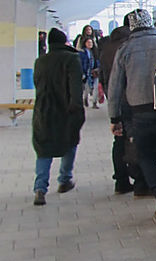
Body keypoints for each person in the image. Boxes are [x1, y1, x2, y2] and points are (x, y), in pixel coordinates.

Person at [107, 9, 156, 220]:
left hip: (140, 113)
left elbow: (114, 87)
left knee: (144, 155)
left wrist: (114, 118)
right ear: (151, 23)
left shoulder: (125, 49)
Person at [31, 28, 85, 206]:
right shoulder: (71, 59)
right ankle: (64, 179)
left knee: (43, 149)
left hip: (43, 110)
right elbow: (76, 87)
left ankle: (40, 189)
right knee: (70, 142)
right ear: (64, 42)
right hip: (65, 110)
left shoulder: (40, 61)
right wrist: (77, 109)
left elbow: (37, 83)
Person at [98, 25, 148, 195]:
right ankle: (140, 181)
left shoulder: (106, 50)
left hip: (116, 100)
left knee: (119, 142)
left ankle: (121, 181)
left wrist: (112, 110)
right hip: (133, 100)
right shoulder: (128, 48)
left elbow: (105, 79)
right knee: (135, 139)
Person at [78, 36, 100, 108]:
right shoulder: (82, 53)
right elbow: (81, 63)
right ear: (85, 43)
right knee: (87, 88)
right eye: (88, 42)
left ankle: (94, 102)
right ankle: (85, 98)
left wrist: (97, 68)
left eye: (91, 42)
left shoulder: (95, 52)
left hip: (94, 72)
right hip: (87, 73)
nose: (90, 44)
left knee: (96, 87)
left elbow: (98, 61)